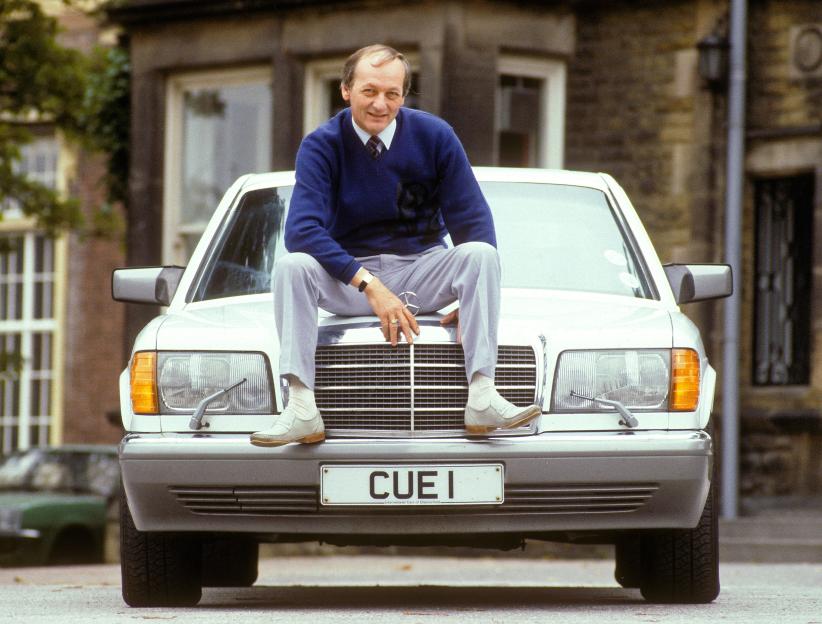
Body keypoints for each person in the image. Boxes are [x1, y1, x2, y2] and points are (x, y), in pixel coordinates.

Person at [250, 44, 539, 447]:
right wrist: (369, 284)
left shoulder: (435, 136)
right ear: (346, 90)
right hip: (349, 281)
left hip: (420, 271)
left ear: (404, 95)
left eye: (393, 94)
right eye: (369, 91)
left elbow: (472, 220)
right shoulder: (321, 146)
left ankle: (483, 396)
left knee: (481, 254)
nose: (381, 104)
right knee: (292, 265)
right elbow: (301, 231)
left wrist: (468, 299)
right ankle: (300, 406)